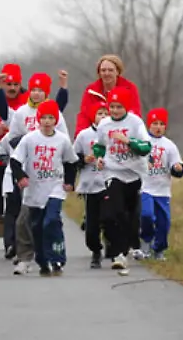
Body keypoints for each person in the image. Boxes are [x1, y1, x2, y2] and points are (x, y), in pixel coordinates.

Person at [0, 72, 69, 264]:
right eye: (33, 89)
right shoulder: (21, 112)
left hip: (49, 173)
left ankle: (50, 251)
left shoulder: (55, 114)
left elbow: (65, 144)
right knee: (23, 213)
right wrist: (24, 143)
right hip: (24, 170)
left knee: (48, 217)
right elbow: (12, 138)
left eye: (40, 90)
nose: (36, 94)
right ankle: (22, 252)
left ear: (46, 93)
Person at [10, 100, 79, 276]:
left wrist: (70, 182)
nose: (47, 121)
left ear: (56, 120)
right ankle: (42, 261)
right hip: (34, 190)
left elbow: (71, 162)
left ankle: (57, 258)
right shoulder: (30, 139)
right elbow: (15, 160)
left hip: (55, 187)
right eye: (44, 118)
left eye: (51, 118)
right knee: (37, 226)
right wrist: (21, 177)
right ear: (38, 119)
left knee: (51, 221)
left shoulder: (62, 140)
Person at [93, 87, 151, 273]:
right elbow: (100, 146)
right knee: (111, 214)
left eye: (119, 107)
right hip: (113, 172)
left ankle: (128, 246)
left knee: (130, 216)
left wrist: (127, 141)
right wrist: (99, 158)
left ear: (126, 107)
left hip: (134, 174)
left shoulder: (135, 123)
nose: (115, 110)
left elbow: (145, 147)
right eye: (112, 106)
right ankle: (118, 253)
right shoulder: (104, 125)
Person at [139, 107, 183, 261]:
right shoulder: (143, 141)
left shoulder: (169, 145)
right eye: (154, 123)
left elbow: (176, 165)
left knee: (164, 223)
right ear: (149, 125)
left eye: (161, 124)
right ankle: (146, 241)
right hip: (145, 188)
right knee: (146, 215)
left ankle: (159, 249)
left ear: (165, 126)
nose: (158, 127)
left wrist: (177, 168)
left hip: (163, 190)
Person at [74, 101, 109, 268]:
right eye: (99, 113)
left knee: (109, 218)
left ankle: (114, 248)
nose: (102, 117)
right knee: (92, 225)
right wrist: (83, 160)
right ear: (93, 116)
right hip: (90, 184)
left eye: (105, 113)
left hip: (109, 183)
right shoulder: (84, 135)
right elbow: (72, 158)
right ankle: (96, 251)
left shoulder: (114, 134)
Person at [75, 54, 142, 137]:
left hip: (122, 133)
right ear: (99, 72)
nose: (106, 73)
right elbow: (84, 115)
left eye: (110, 70)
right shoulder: (91, 90)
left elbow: (134, 113)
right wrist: (80, 135)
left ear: (117, 71)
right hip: (96, 133)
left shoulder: (129, 88)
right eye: (103, 70)